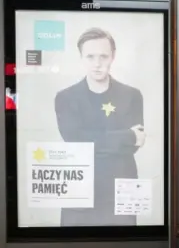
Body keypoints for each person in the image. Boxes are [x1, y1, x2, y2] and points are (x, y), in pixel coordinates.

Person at [54, 28, 146, 227]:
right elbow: (75, 141)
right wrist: (126, 136)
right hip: (79, 189)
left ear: (113, 56)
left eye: (103, 56)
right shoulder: (66, 98)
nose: (97, 63)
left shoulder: (132, 95)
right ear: (81, 57)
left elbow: (135, 145)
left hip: (122, 187)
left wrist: (93, 141)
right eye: (90, 56)